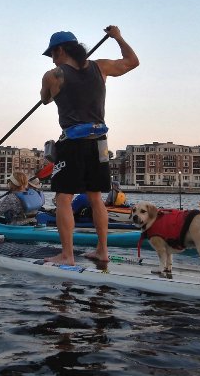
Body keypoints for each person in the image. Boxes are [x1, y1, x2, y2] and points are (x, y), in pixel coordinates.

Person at [39, 25, 139, 265]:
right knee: (95, 197)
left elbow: (44, 99)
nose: (52, 59)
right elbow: (132, 62)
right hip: (99, 143)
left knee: (64, 198)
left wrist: (53, 89)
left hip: (72, 142)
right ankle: (102, 251)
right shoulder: (100, 67)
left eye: (52, 54)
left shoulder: (53, 75)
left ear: (60, 50)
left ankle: (67, 255)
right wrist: (118, 37)